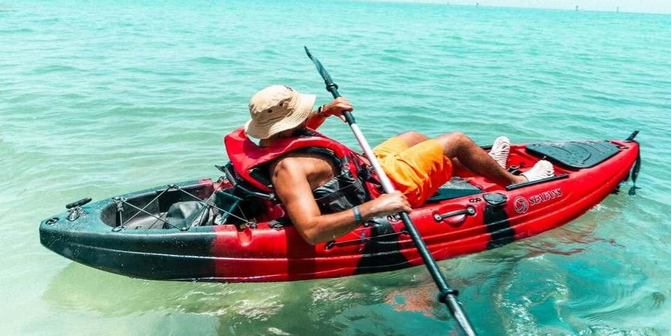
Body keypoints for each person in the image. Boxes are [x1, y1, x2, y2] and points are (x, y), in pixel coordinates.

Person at [234, 85, 554, 245]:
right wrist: (373, 208)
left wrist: (325, 110)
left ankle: (484, 167)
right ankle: (517, 181)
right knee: (456, 141)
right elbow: (311, 231)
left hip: (365, 169)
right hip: (383, 188)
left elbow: (301, 132)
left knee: (413, 136)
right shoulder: (287, 171)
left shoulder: (268, 140)